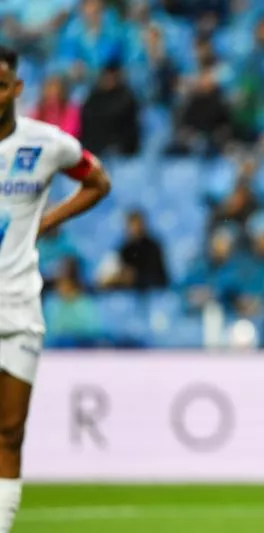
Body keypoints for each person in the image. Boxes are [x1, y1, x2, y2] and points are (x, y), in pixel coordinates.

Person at [0, 45, 111, 532]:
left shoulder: (46, 143)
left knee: (9, 432)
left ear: (16, 88)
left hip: (19, 305)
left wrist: (48, 221)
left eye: (0, 84)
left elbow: (98, 182)